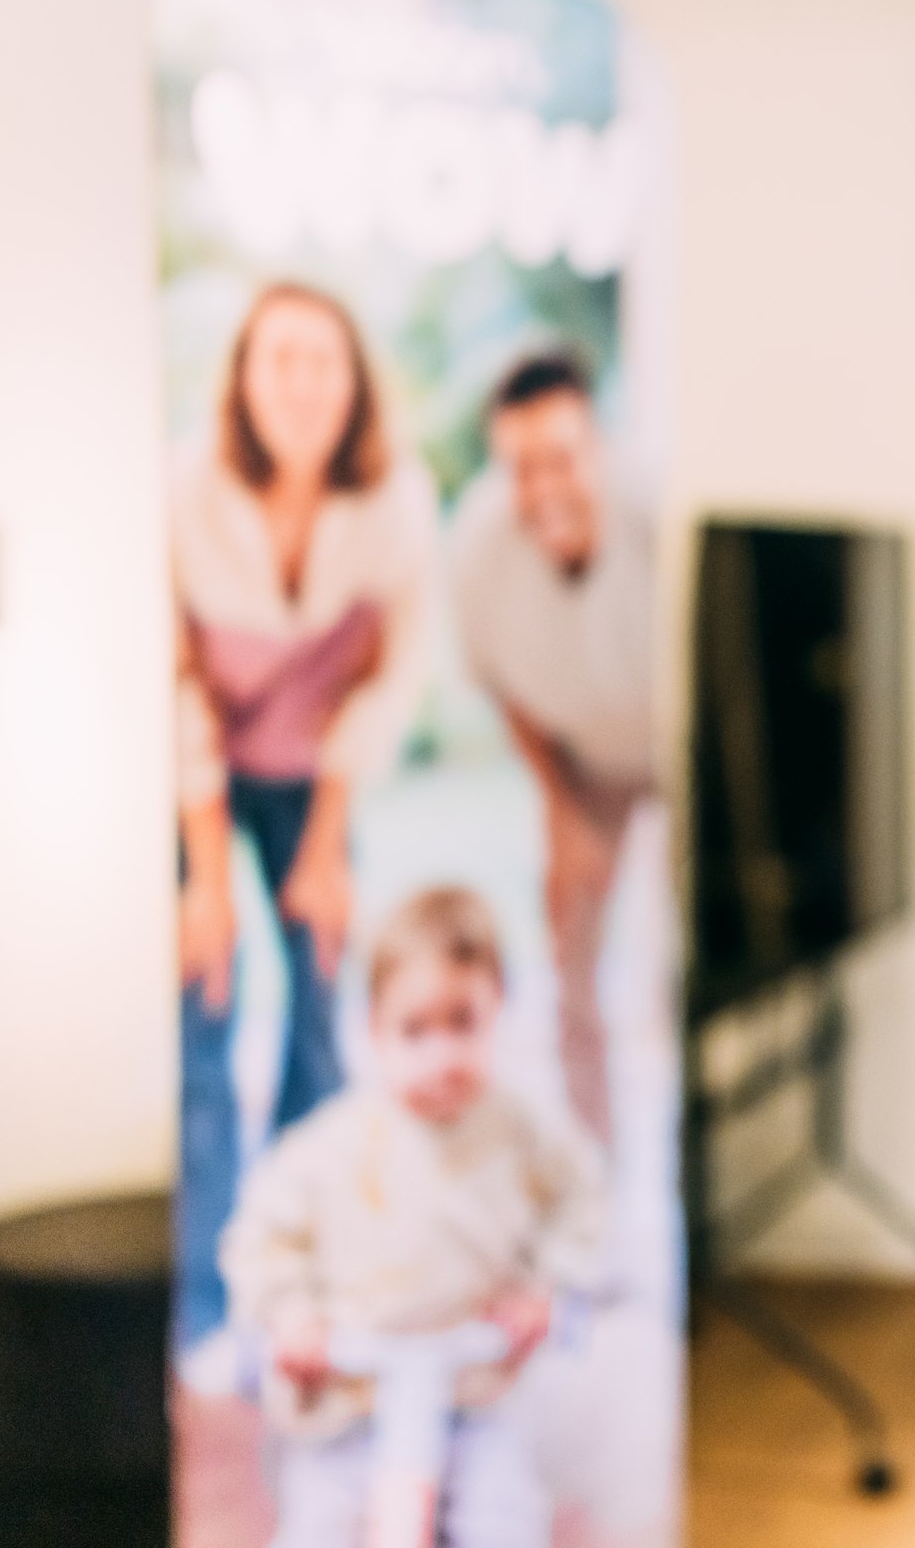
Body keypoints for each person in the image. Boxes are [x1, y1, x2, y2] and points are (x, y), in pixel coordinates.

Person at [174, 281, 439, 1367]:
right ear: (242, 377)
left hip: (318, 771)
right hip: (197, 770)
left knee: (323, 1012)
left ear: (355, 385)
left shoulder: (397, 505)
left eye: (322, 361)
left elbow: (390, 682)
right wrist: (206, 876)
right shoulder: (184, 491)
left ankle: (303, 1284)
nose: (300, 383)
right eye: (278, 359)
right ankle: (203, 1307)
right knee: (204, 1009)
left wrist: (326, 848)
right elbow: (176, 681)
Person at [222, 884, 608, 1548]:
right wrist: (292, 1316)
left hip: (473, 1387)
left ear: (499, 1011)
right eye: (414, 1030)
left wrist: (544, 1287)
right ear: (375, 1030)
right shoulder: (331, 1146)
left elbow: (583, 1201)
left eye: (463, 1022)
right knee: (319, 1524)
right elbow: (258, 1237)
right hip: (354, 1394)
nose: (441, 1055)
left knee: (505, 1519)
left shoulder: (517, 1131)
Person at [449, 348, 660, 1145]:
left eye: (560, 460)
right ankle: (592, 1189)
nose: (543, 490)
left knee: (692, 961)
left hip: (678, 751)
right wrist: (560, 810)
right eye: (520, 468)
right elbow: (500, 686)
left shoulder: (655, 511)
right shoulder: (475, 548)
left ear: (597, 448)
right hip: (582, 767)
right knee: (571, 974)